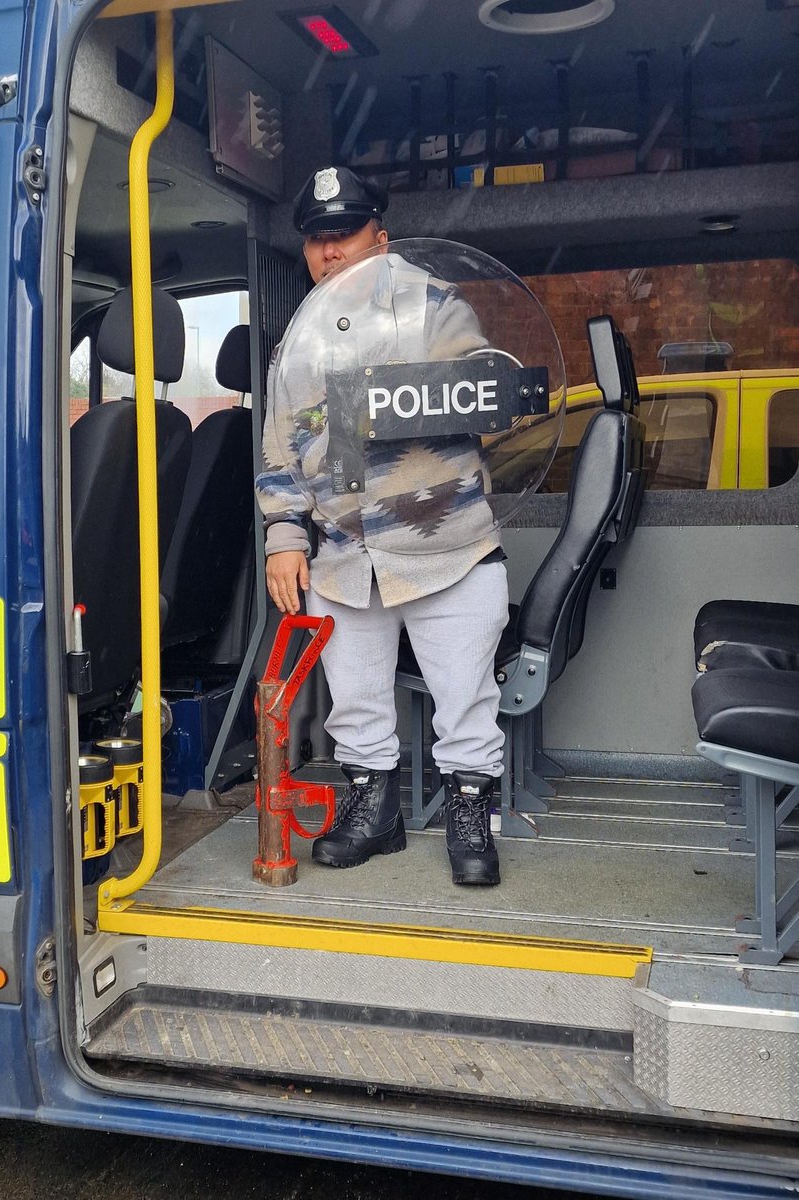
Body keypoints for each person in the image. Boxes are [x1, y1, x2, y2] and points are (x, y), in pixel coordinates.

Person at [255, 166, 509, 886]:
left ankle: (470, 816)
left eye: (345, 234)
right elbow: (281, 449)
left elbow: (480, 389)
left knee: (465, 699)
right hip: (343, 554)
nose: (329, 251)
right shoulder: (298, 339)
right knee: (355, 699)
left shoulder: (435, 305)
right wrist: (284, 538)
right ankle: (376, 811)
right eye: (316, 239)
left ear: (381, 235)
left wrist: (365, 380)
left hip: (443, 546)